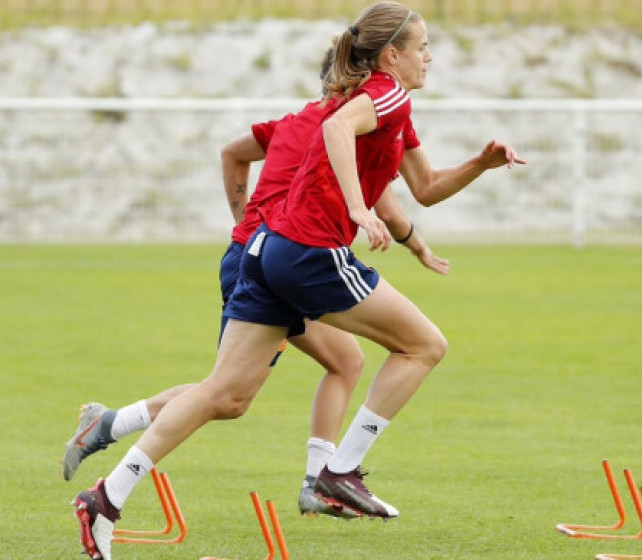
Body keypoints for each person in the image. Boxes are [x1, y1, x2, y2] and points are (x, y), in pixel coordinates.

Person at [72, 2, 525, 558]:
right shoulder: (386, 92)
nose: (430, 56)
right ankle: (340, 471)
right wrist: (359, 211)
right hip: (308, 252)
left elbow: (426, 187)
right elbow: (336, 128)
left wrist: (479, 164)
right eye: (423, 46)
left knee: (224, 394)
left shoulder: (391, 109)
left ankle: (105, 500)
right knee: (425, 345)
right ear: (392, 56)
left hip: (264, 250)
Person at [61, 73, 449, 520]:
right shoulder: (338, 128)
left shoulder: (296, 121)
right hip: (278, 260)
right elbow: (386, 202)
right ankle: (321, 480)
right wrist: (412, 241)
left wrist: (244, 222)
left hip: (259, 253)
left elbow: (233, 152)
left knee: (294, 377)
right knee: (228, 394)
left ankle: (319, 484)